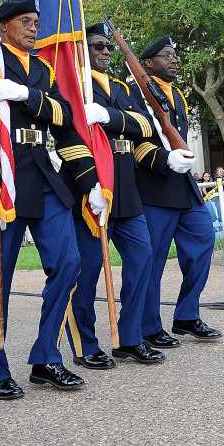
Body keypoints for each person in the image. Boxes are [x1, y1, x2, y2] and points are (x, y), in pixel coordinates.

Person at [0, 0, 95, 399]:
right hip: (6, 180)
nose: (34, 27)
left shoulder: (43, 69)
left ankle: (46, 357)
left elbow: (65, 119)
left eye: (36, 21)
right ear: (1, 27)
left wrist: (90, 183)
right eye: (25, 22)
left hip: (44, 177)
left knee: (69, 264)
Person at [62, 22, 167, 370]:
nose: (105, 51)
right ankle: (85, 345)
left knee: (142, 257)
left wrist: (110, 116)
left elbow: (147, 126)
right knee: (88, 268)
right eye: (96, 46)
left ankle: (130, 337)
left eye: (107, 46)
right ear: (81, 50)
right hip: (87, 185)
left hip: (124, 185)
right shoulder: (74, 84)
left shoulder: (121, 87)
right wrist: (124, 122)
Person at [128, 35, 222, 348]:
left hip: (184, 187)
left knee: (203, 240)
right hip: (154, 186)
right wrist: (163, 159)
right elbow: (133, 140)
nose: (174, 61)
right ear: (149, 63)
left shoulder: (178, 94)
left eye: (174, 56)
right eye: (167, 56)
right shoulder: (134, 92)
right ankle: (149, 327)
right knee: (151, 261)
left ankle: (186, 315)